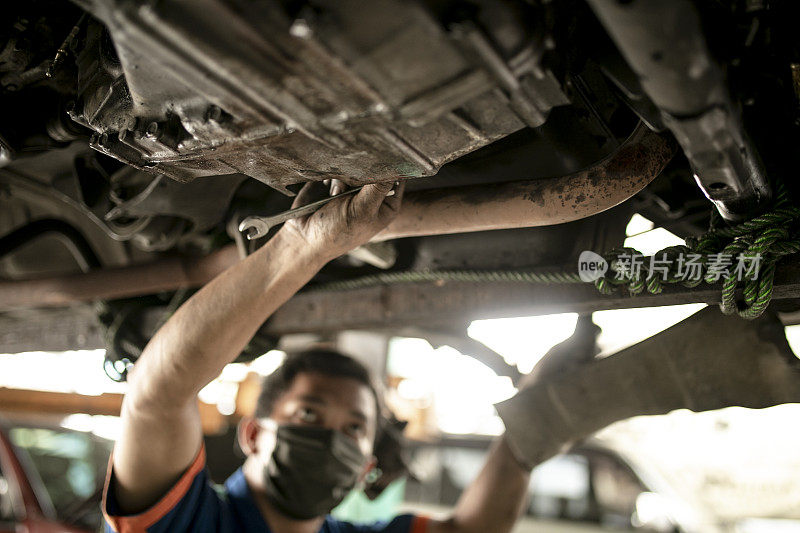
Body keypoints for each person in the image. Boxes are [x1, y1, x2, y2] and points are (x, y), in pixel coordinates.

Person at [102, 181, 538, 533]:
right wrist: (300, 246)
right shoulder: (191, 521)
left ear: (364, 466)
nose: (333, 440)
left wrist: (543, 413)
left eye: (354, 429)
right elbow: (157, 395)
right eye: (309, 414)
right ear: (254, 434)